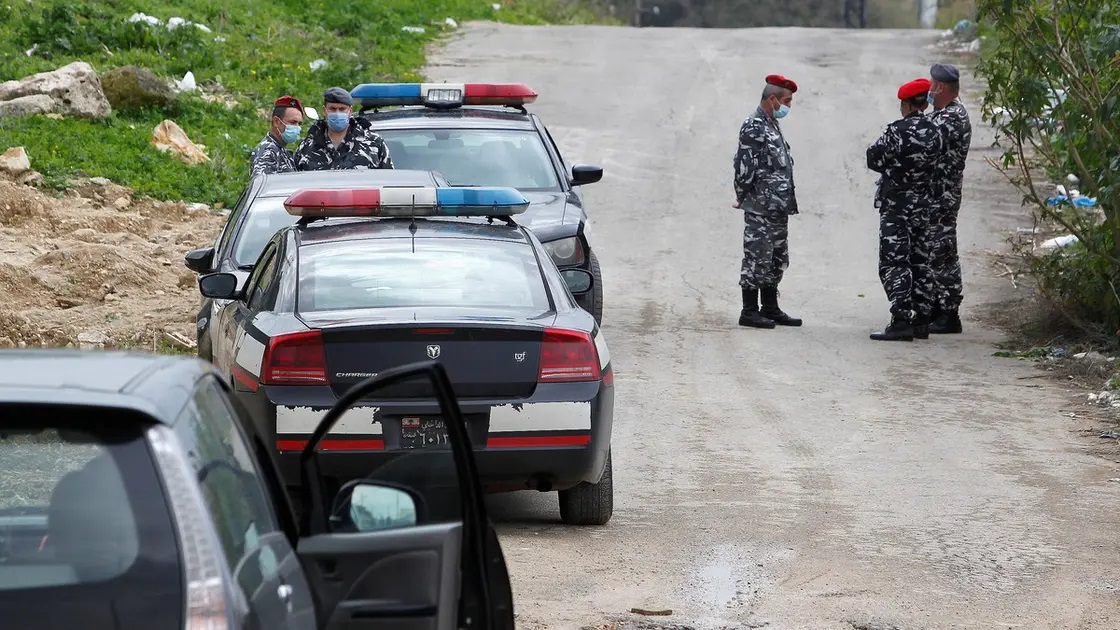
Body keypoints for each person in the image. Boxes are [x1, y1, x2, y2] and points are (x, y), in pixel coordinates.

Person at [865, 78, 945, 341]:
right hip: (925, 207)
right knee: (921, 261)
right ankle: (921, 320)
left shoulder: (896, 131)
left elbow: (874, 158)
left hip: (897, 208)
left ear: (907, 104)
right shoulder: (936, 131)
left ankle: (901, 320)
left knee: (894, 262)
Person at [732, 74, 802, 329]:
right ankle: (749, 311)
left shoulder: (772, 124)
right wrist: (742, 195)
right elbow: (744, 166)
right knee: (757, 257)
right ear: (773, 99)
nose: (788, 106)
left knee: (776, 257)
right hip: (760, 206)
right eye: (787, 101)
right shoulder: (754, 126)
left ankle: (770, 307)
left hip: (777, 206)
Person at [926, 62, 972, 334]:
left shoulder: (951, 118)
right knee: (933, 251)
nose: (929, 89)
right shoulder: (945, 113)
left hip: (941, 198)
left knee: (942, 253)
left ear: (940, 87)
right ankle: (936, 307)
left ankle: (949, 313)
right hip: (937, 195)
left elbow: (923, 142)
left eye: (932, 85)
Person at [294, 87, 394, 171]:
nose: (337, 113)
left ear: (350, 111)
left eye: (342, 109)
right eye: (332, 109)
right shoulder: (307, 147)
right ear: (324, 111)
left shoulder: (374, 144)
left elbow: (388, 181)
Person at [248, 95, 303, 177]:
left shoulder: (281, 151)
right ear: (276, 121)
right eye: (293, 122)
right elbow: (264, 183)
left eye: (299, 123)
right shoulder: (267, 152)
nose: (297, 128)